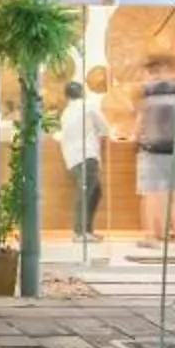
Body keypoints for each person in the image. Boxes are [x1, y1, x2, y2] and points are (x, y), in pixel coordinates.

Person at [135, 54, 175, 247]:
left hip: (152, 150)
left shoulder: (147, 92)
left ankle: (152, 236)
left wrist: (137, 138)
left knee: (153, 194)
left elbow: (140, 122)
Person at [56, 78, 106, 244]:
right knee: (86, 192)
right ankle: (80, 232)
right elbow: (105, 127)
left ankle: (86, 230)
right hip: (88, 154)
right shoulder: (88, 106)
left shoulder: (65, 113)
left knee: (94, 191)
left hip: (73, 157)